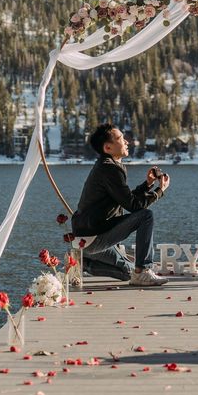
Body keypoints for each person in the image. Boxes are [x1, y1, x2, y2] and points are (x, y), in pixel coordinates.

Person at [71, 123, 170, 287]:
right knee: (146, 216)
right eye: (120, 138)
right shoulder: (110, 169)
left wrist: (147, 184)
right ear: (108, 147)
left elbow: (125, 198)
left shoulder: (106, 166)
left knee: (127, 273)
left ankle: (85, 263)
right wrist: (159, 191)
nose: (126, 142)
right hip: (95, 238)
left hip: (84, 239)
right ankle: (143, 271)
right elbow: (133, 205)